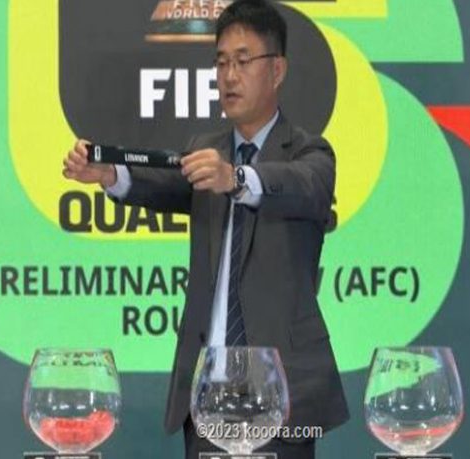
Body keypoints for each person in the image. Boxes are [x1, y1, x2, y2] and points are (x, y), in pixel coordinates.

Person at [62, 1, 348, 457]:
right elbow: (168, 185)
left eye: (243, 61)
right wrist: (111, 176)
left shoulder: (311, 154)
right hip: (208, 397)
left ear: (277, 70)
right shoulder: (205, 149)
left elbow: (302, 187)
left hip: (282, 398)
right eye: (221, 62)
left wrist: (235, 178)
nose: (229, 76)